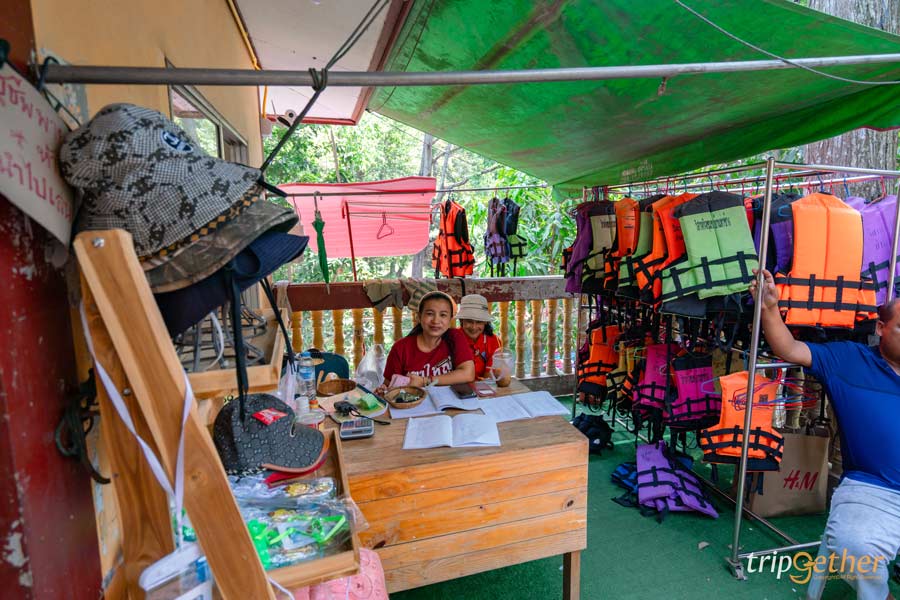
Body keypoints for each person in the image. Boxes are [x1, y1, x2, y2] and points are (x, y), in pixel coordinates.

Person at [750, 268, 900, 600]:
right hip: (873, 488)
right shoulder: (849, 360)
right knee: (854, 548)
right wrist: (770, 308)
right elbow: (789, 348)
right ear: (880, 328)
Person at [381, 291, 475, 390]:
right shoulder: (400, 348)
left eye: (443, 315)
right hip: (415, 399)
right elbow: (389, 384)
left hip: (448, 399)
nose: (436, 321)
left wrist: (425, 381)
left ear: (450, 319)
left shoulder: (455, 337)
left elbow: (468, 374)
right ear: (419, 316)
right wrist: (383, 390)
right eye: (430, 314)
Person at [455, 294, 502, 379]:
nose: (474, 327)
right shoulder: (453, 339)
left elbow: (489, 375)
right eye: (469, 321)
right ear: (461, 320)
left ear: (485, 322)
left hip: (483, 384)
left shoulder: (493, 341)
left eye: (479, 322)